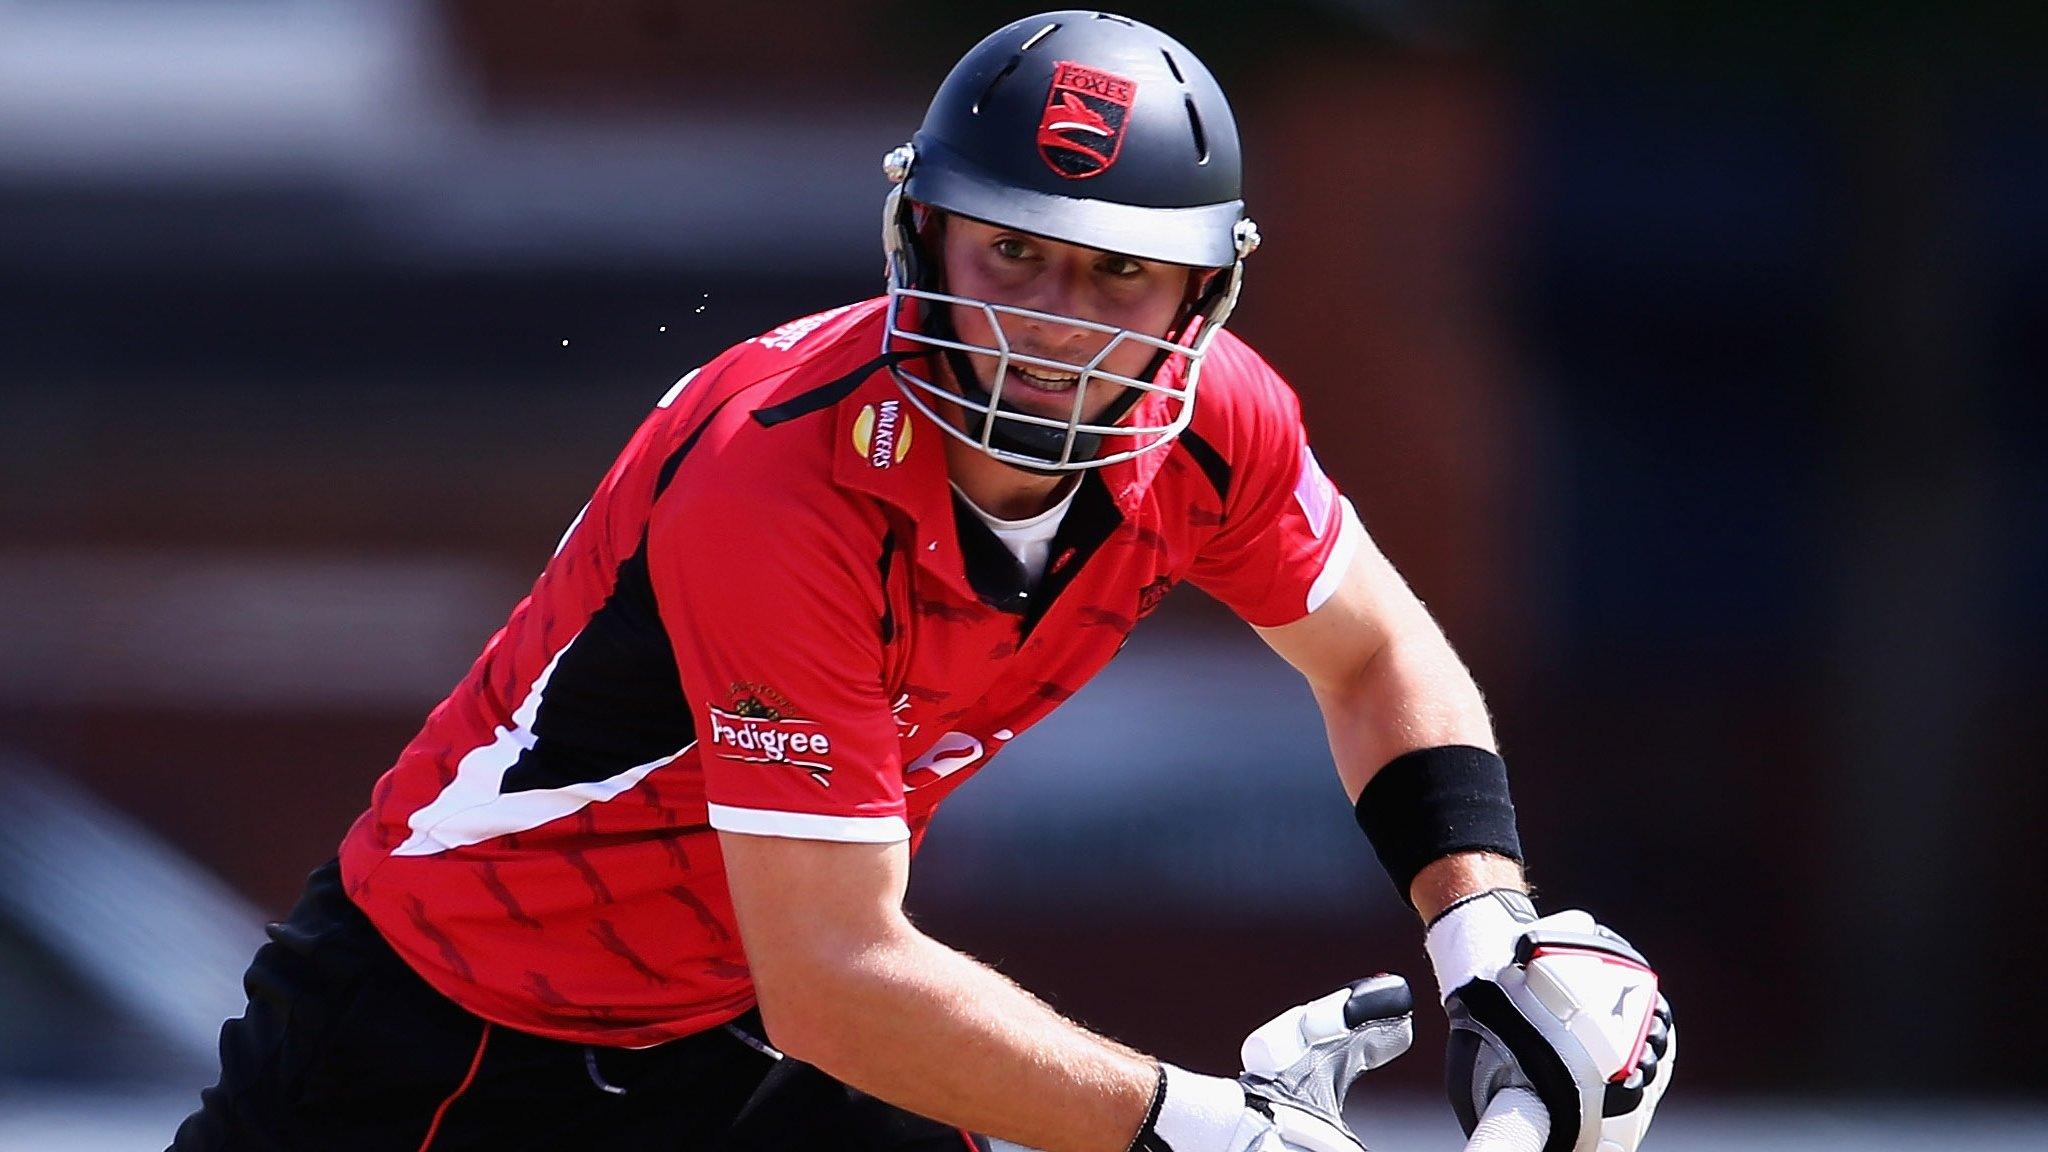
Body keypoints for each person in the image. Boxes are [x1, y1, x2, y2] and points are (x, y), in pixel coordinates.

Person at [174, 10, 1672, 1152]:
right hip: (444, 1040)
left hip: (746, 1030)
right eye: (1010, 251)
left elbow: (1371, 657)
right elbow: (838, 973)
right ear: (922, 232)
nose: (1048, 322)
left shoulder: (1221, 422)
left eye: (1114, 275)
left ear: (1199, 298)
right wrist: (1202, 1125)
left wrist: (1491, 944)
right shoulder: (777, 481)